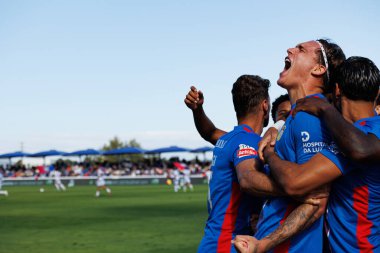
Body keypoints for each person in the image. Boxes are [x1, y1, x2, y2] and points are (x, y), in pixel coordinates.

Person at [190, 39, 346, 253]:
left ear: (319, 68)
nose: (290, 49)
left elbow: (315, 201)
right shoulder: (293, 119)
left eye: (300, 49)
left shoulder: (310, 119)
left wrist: (265, 243)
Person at [248, 56, 380, 252]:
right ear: (377, 92)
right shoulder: (351, 132)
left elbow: (295, 182)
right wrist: (278, 126)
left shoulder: (354, 140)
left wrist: (269, 153)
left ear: (336, 90)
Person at [185, 75, 321, 253]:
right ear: (265, 105)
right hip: (229, 244)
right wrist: (294, 189)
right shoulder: (248, 141)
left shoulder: (230, 139)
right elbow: (248, 179)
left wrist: (198, 111)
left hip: (214, 241)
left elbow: (209, 132)